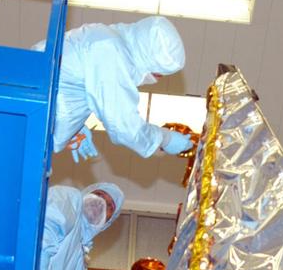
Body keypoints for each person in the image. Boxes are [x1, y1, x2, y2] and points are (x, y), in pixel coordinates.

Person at [35, 16, 194, 161]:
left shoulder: (108, 39)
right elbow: (123, 125)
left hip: (38, 108)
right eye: (158, 75)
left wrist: (74, 127)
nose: (156, 80)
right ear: (148, 61)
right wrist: (164, 138)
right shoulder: (111, 52)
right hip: (33, 114)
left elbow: (71, 82)